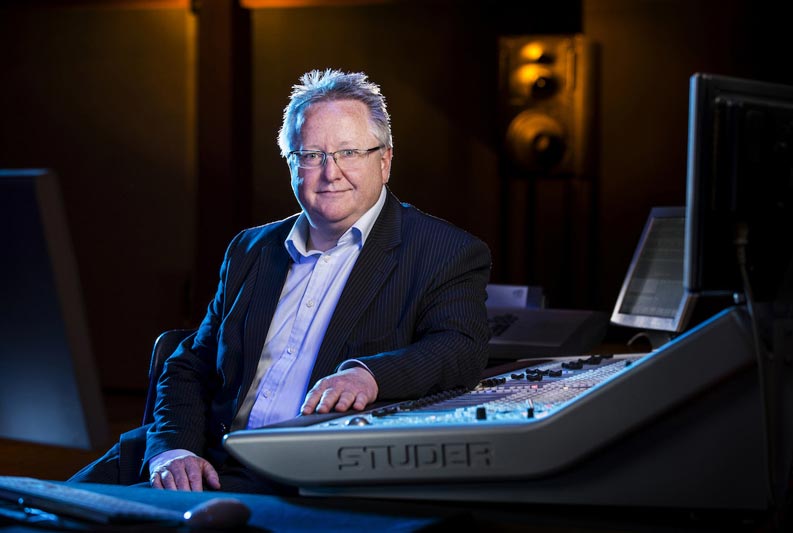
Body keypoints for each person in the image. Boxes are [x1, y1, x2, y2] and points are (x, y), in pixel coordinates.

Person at [69, 68, 491, 494]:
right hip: (194, 459)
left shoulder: (445, 251)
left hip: (304, 478)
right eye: (311, 155)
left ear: (384, 161)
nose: (330, 173)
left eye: (349, 152)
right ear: (291, 164)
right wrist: (174, 449)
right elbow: (190, 364)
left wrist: (369, 376)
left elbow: (460, 348)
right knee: (42, 508)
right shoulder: (251, 249)